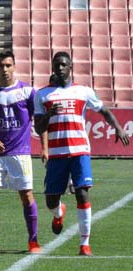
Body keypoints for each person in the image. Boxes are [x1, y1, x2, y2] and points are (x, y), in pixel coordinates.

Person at [34, 51, 130, 256]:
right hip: (57, 153)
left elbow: (103, 110)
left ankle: (84, 244)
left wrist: (118, 127)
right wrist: (49, 114)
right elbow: (38, 127)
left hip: (80, 151)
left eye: (63, 65)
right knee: (51, 200)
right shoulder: (42, 95)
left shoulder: (83, 91)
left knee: (82, 192)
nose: (60, 68)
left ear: (70, 67)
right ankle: (58, 213)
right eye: (56, 65)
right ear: (52, 68)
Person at [0, 50, 41, 254]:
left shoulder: (28, 92)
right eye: (1, 65)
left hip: (20, 153)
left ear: (14, 67)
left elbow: (38, 119)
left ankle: (33, 241)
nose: (5, 69)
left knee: (26, 196)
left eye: (8, 65)